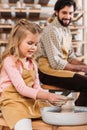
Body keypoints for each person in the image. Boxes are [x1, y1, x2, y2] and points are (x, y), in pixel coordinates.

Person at [0, 19, 67, 130]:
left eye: (36, 44)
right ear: (17, 42)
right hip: (12, 102)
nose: (33, 47)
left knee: (53, 113)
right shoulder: (9, 61)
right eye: (30, 43)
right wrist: (48, 96)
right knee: (23, 124)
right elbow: (21, 88)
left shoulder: (33, 63)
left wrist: (52, 98)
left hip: (29, 100)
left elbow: (36, 87)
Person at [37, 0, 87, 107]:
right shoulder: (51, 30)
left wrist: (85, 66)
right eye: (64, 13)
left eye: (70, 13)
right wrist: (82, 69)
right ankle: (77, 114)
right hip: (48, 72)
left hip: (60, 68)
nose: (68, 16)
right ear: (56, 12)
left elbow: (70, 57)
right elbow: (55, 63)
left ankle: (78, 111)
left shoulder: (66, 30)